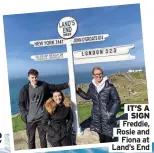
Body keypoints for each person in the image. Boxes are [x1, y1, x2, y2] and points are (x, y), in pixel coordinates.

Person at [18, 69, 69, 149]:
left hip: (41, 118)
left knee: (43, 139)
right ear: (28, 78)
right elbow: (21, 104)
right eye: (32, 77)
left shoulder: (43, 85)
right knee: (31, 140)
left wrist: (67, 84)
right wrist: (25, 116)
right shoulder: (24, 90)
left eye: (36, 77)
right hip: (30, 120)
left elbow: (55, 87)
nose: (34, 79)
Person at [76, 66, 121, 143]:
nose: (98, 76)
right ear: (93, 75)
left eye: (100, 74)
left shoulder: (109, 86)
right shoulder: (91, 86)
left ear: (102, 74)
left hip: (107, 118)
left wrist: (110, 114)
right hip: (95, 118)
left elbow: (116, 101)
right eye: (96, 74)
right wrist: (78, 91)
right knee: (98, 140)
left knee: (108, 140)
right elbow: (88, 96)